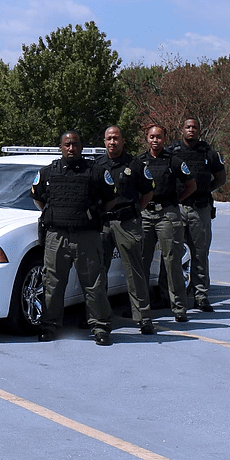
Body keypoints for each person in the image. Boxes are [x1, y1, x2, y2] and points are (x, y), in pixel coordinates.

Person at [31, 130, 115, 345]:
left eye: (75, 144)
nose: (71, 148)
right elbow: (38, 199)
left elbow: (110, 199)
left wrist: (91, 216)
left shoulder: (96, 172)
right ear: (60, 147)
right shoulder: (48, 172)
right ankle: (49, 327)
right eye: (67, 144)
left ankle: (100, 328)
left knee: (94, 284)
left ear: (81, 146)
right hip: (56, 235)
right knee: (52, 284)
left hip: (86, 236)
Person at [94, 125, 157, 335]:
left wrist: (135, 210)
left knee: (134, 271)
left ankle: (143, 318)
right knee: (98, 271)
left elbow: (147, 193)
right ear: (104, 141)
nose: (112, 142)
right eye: (109, 139)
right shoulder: (97, 165)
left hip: (127, 222)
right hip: (103, 224)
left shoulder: (135, 165)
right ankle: (98, 316)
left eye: (116, 138)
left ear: (123, 141)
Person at [138, 124, 197, 322]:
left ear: (165, 138)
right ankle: (140, 308)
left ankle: (179, 307)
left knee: (172, 262)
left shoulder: (174, 161)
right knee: (142, 262)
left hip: (167, 214)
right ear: (147, 138)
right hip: (145, 214)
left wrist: (176, 201)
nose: (155, 140)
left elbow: (191, 184)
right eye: (152, 137)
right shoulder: (140, 162)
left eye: (159, 137)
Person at [167, 117, 227, 312]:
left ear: (200, 130)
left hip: (199, 208)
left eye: (194, 127)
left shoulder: (209, 153)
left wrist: (204, 190)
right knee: (171, 253)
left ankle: (200, 295)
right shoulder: (171, 152)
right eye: (188, 127)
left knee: (200, 253)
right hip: (176, 207)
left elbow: (220, 178)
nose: (191, 130)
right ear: (181, 129)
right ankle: (165, 295)